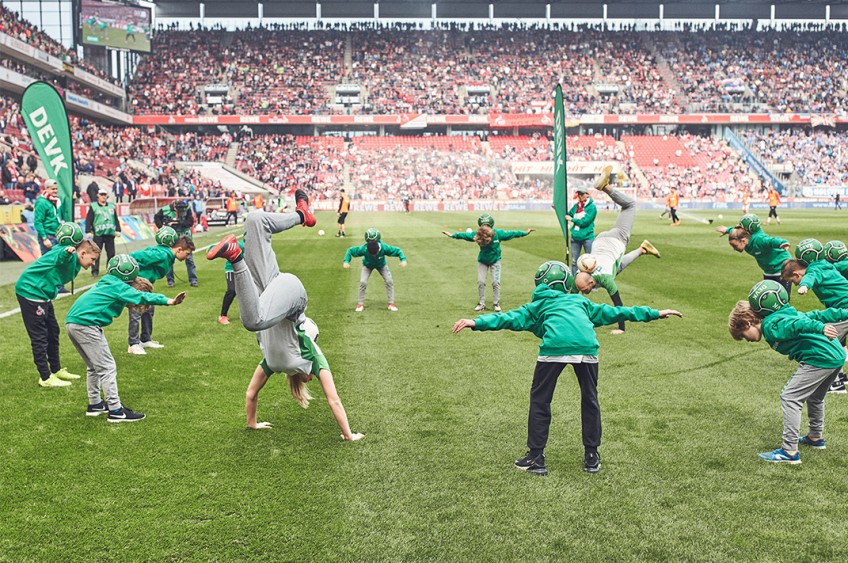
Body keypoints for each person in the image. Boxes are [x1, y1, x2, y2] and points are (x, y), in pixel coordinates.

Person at [453, 261, 682, 475]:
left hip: (555, 348)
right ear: (567, 283)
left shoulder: (539, 304)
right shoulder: (580, 301)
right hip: (587, 347)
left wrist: (476, 322)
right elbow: (617, 312)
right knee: (590, 399)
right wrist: (654, 313)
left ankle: (536, 458)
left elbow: (509, 318)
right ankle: (591, 457)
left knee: (541, 401)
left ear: (541, 283)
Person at [206, 190, 363, 440]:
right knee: (254, 320)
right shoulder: (283, 362)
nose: (314, 378)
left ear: (306, 377)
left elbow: (334, 400)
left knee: (255, 220)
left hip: (271, 295)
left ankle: (300, 214)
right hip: (292, 299)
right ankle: (297, 218)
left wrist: (253, 424)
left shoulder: (294, 361)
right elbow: (331, 401)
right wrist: (348, 435)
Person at [729, 280, 848, 464]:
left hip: (821, 357)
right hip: (835, 354)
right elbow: (813, 315)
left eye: (744, 336)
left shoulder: (771, 326)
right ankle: (815, 438)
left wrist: (820, 327)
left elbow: (796, 324)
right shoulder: (782, 314)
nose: (748, 340)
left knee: (790, 397)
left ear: (748, 322)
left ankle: (789, 451)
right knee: (815, 397)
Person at [65, 254, 186, 422]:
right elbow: (142, 297)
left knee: (93, 366)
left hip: (73, 322)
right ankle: (116, 411)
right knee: (107, 367)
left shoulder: (109, 281)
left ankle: (96, 405)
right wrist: (169, 301)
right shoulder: (120, 288)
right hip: (86, 325)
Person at [573, 167, 661, 334]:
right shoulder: (580, 275)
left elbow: (618, 304)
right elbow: (570, 297)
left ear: (591, 282)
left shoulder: (604, 279)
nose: (584, 294)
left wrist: (621, 328)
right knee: (617, 267)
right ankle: (642, 249)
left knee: (630, 205)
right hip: (600, 242)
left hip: (616, 239)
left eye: (584, 291)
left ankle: (605, 186)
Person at [16, 223, 100, 388]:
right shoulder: (66, 254)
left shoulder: (75, 259)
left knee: (53, 332)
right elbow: (61, 256)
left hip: (43, 295)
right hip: (30, 292)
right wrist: (66, 251)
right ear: (82, 253)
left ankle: (56, 369)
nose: (93, 264)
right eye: (93, 260)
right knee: (40, 337)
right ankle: (45, 377)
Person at [781, 251, 848, 394]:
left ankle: (836, 384)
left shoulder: (813, 270)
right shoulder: (824, 264)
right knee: (836, 340)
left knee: (827, 340)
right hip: (840, 311)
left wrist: (804, 286)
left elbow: (811, 277)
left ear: (797, 274)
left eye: (793, 281)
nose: (795, 284)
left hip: (844, 310)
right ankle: (840, 377)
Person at [443, 214, 534, 313]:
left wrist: (525, 233)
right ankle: (481, 304)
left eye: (487, 225)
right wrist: (453, 235)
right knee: (481, 282)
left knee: (496, 282)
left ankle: (496, 304)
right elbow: (465, 235)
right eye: (483, 226)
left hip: (495, 260)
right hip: (483, 261)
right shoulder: (477, 234)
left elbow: (512, 233)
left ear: (491, 225)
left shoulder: (498, 233)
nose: (485, 228)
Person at [127, 228, 195, 355]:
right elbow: (134, 256)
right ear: (179, 250)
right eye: (187, 253)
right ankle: (133, 344)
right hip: (136, 283)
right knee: (136, 311)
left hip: (145, 285)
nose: (187, 257)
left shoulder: (166, 255)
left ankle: (145, 339)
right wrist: (132, 276)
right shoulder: (161, 254)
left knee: (149, 308)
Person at [715, 213, 791, 295]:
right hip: (769, 271)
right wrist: (727, 230)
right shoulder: (743, 236)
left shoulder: (759, 240)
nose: (734, 249)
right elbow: (735, 232)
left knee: (782, 299)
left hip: (782, 268)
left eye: (735, 246)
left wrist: (783, 243)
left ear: (744, 238)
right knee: (769, 299)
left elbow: (771, 241)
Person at [343, 228, 407, 312]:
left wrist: (403, 260)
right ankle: (360, 304)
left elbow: (398, 250)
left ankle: (391, 304)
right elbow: (350, 250)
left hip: (381, 265)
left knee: (389, 281)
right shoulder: (364, 249)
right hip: (367, 265)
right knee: (363, 282)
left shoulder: (384, 248)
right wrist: (346, 261)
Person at [155, 200, 198, 287]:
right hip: (171, 237)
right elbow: (156, 218)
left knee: (189, 258)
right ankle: (170, 281)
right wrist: (163, 227)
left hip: (185, 236)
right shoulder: (165, 210)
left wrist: (178, 223)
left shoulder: (188, 208)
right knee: (169, 258)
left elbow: (190, 222)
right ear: (174, 207)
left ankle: (193, 280)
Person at [85, 188, 121, 277]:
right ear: (98, 196)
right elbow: (89, 219)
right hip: (98, 234)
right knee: (96, 253)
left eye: (104, 195)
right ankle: (95, 271)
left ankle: (110, 270)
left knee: (111, 254)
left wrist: (118, 230)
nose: (103, 197)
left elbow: (115, 219)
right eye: (101, 195)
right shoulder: (93, 207)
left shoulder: (111, 206)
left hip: (109, 233)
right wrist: (88, 231)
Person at [565, 188, 597, 275]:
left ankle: (590, 281)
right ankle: (575, 281)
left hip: (588, 238)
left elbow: (585, 222)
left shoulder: (592, 207)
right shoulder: (576, 206)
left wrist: (572, 219)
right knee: (574, 261)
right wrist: (557, 207)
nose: (580, 196)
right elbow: (567, 214)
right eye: (579, 194)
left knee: (591, 262)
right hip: (575, 237)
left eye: (582, 194)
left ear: (587, 194)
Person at [219, 238, 245, 325]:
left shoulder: (256, 248)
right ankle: (223, 316)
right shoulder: (240, 245)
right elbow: (219, 247)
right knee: (231, 290)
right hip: (231, 269)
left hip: (245, 270)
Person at [33, 179, 60, 256]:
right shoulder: (41, 202)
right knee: (49, 262)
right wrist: (44, 238)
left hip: (56, 234)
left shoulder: (54, 200)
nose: (55, 191)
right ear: (46, 189)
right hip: (48, 236)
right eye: (53, 189)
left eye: (56, 189)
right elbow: (38, 221)